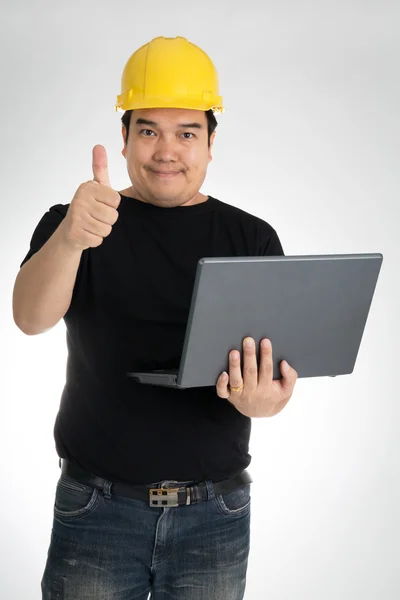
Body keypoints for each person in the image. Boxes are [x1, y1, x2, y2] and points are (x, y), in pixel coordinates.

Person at [13, 36, 297, 600]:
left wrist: (263, 401)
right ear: (123, 139)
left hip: (214, 514)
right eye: (148, 130)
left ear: (211, 143)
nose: (166, 150)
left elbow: (271, 383)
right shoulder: (77, 222)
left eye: (186, 133)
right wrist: (71, 238)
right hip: (96, 508)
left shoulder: (252, 239)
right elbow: (29, 318)